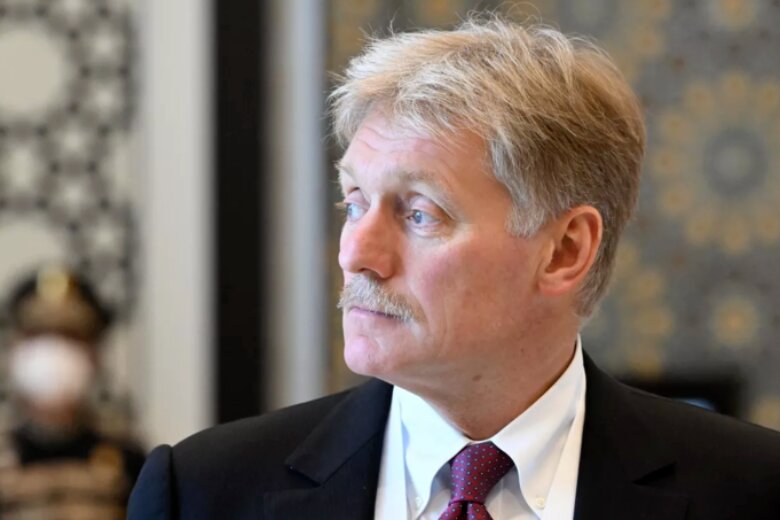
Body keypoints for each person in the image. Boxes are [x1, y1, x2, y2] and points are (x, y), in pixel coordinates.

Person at [129, 16, 780, 519]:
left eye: (419, 214)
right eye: (354, 202)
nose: (356, 254)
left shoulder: (752, 492)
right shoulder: (204, 492)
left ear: (564, 251)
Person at [0, 265, 145, 519]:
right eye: (38, 334)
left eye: (71, 336)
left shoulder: (131, 460)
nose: (54, 353)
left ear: (95, 353)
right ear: (14, 348)